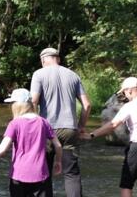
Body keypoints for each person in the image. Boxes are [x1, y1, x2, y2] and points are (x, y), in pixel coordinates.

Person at [0, 88, 63, 197]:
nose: (11, 106)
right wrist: (58, 162)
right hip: (40, 174)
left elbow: (2, 149)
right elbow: (58, 145)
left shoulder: (14, 124)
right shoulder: (43, 122)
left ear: (17, 105)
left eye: (12, 103)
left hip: (19, 175)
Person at [30, 47, 91, 197]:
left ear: (43, 60)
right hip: (70, 129)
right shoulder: (73, 75)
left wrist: (33, 125)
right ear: (58, 58)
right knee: (71, 174)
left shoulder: (39, 74)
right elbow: (87, 105)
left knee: (44, 173)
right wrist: (81, 126)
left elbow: (33, 101)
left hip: (47, 130)